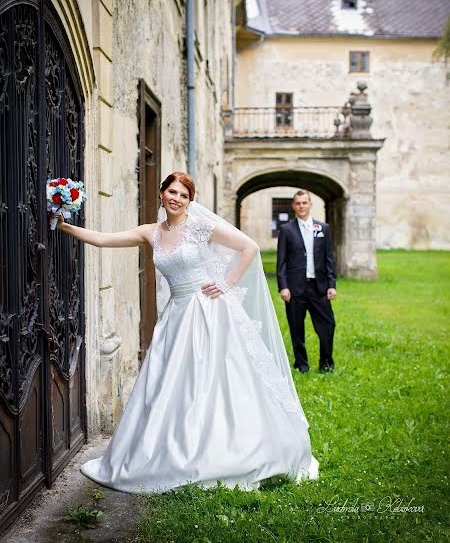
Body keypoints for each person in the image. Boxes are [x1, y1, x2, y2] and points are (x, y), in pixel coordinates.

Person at [56, 172, 318, 493]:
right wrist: (65, 225)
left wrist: (227, 282)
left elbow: (248, 247)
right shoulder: (150, 232)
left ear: (190, 200)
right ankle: (169, 449)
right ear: (162, 193)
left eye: (183, 194)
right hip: (176, 317)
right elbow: (102, 239)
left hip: (210, 311)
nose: (176, 198)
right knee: (167, 385)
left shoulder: (200, 227)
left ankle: (230, 449)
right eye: (171, 192)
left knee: (216, 381)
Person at [276, 189, 336, 374]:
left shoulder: (323, 229)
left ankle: (326, 363)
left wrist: (332, 285)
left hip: (319, 287)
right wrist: (283, 286)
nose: (301, 206)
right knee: (296, 327)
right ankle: (301, 364)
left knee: (327, 325)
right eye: (298, 203)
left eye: (305, 202)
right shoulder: (286, 230)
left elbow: (329, 258)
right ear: (293, 206)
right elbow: (282, 261)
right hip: (295, 288)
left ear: (310, 205)